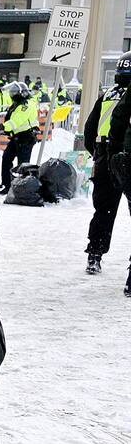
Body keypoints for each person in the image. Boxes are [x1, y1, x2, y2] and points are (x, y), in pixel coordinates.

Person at [83, 51, 131, 282]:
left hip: (105, 157)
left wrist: (99, 155)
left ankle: (95, 254)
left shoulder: (107, 95)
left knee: (104, 209)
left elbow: (89, 130)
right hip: (127, 157)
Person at [0, 82, 39, 194]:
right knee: (6, 159)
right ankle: (8, 185)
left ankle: (23, 188)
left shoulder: (26, 105)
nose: (12, 95)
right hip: (17, 137)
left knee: (23, 164)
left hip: (26, 137)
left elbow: (17, 120)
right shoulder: (18, 103)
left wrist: (3, 126)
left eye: (14, 93)